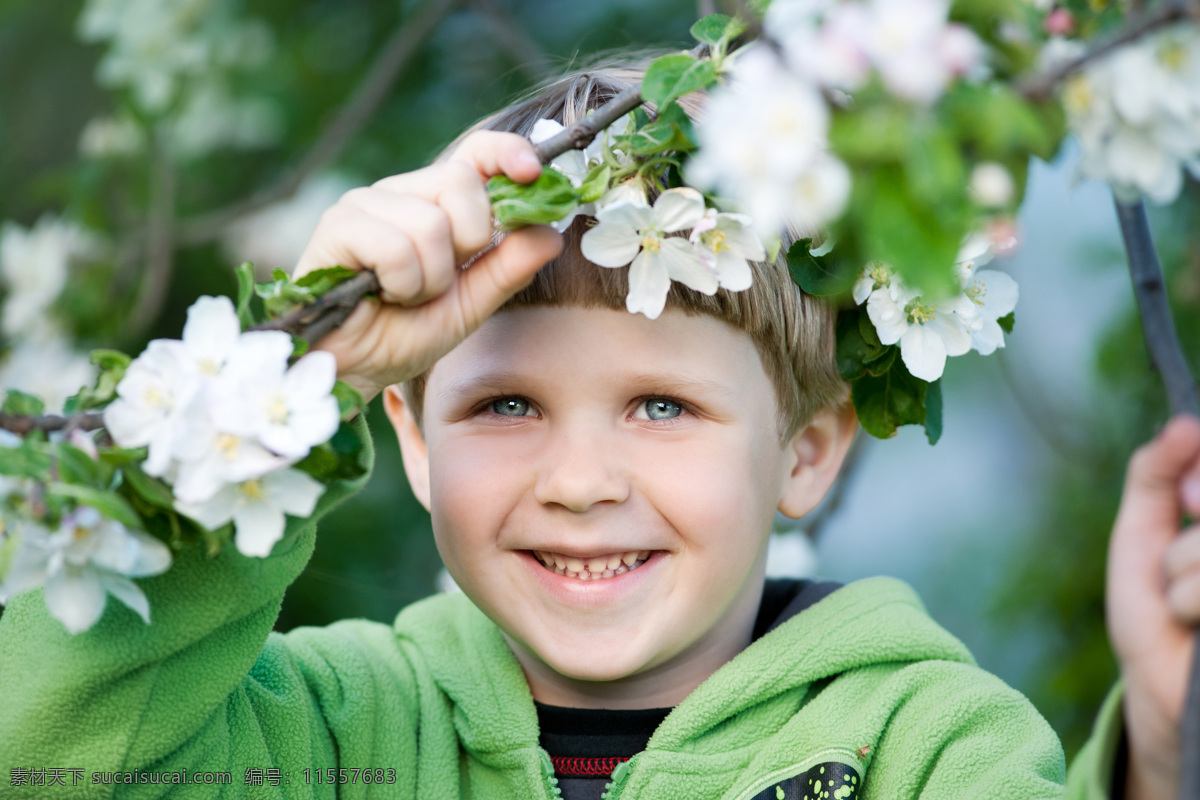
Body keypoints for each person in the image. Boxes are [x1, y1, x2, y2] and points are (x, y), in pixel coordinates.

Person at [3, 62, 1200, 800]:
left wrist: (1161, 750)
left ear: (807, 448)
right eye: (505, 404)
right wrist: (286, 389)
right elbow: (45, 758)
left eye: (663, 405)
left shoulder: (923, 746)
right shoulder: (331, 733)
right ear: (409, 435)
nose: (579, 481)